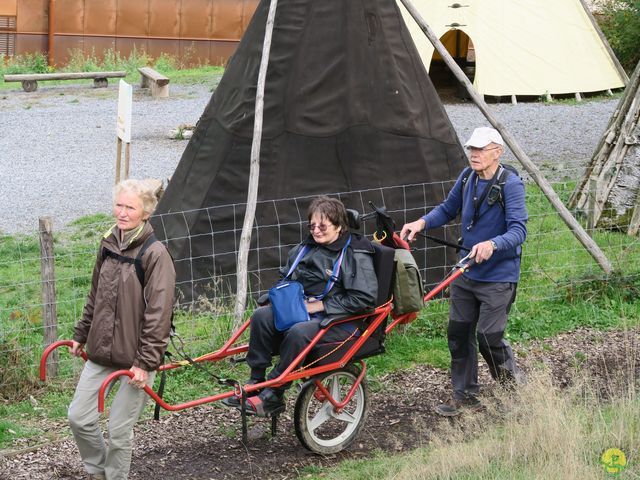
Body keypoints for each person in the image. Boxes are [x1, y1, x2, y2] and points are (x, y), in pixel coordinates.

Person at [401, 127, 528, 417]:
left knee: (489, 337)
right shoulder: (467, 177)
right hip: (466, 273)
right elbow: (447, 208)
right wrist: (421, 223)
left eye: (481, 149)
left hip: (498, 277)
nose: (474, 153)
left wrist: (492, 245)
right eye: (472, 148)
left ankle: (515, 395)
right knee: (458, 334)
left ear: (498, 152)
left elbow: (519, 230)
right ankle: (465, 396)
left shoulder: (511, 184)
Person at [224, 196, 378, 416]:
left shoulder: (355, 255)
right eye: (312, 225)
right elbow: (285, 276)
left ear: (339, 226)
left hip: (340, 320)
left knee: (298, 332)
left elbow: (364, 299)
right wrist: (280, 298)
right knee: (261, 316)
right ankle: (255, 380)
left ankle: (274, 393)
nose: (316, 231)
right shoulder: (305, 248)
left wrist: (319, 306)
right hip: (303, 310)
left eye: (322, 226)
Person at [68, 179, 175, 480]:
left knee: (118, 431)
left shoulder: (155, 254)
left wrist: (144, 363)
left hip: (136, 359)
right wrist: (81, 334)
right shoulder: (108, 243)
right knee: (79, 417)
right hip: (102, 352)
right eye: (119, 205)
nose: (123, 212)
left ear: (145, 213)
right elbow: (95, 296)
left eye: (130, 207)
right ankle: (100, 472)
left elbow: (159, 315)